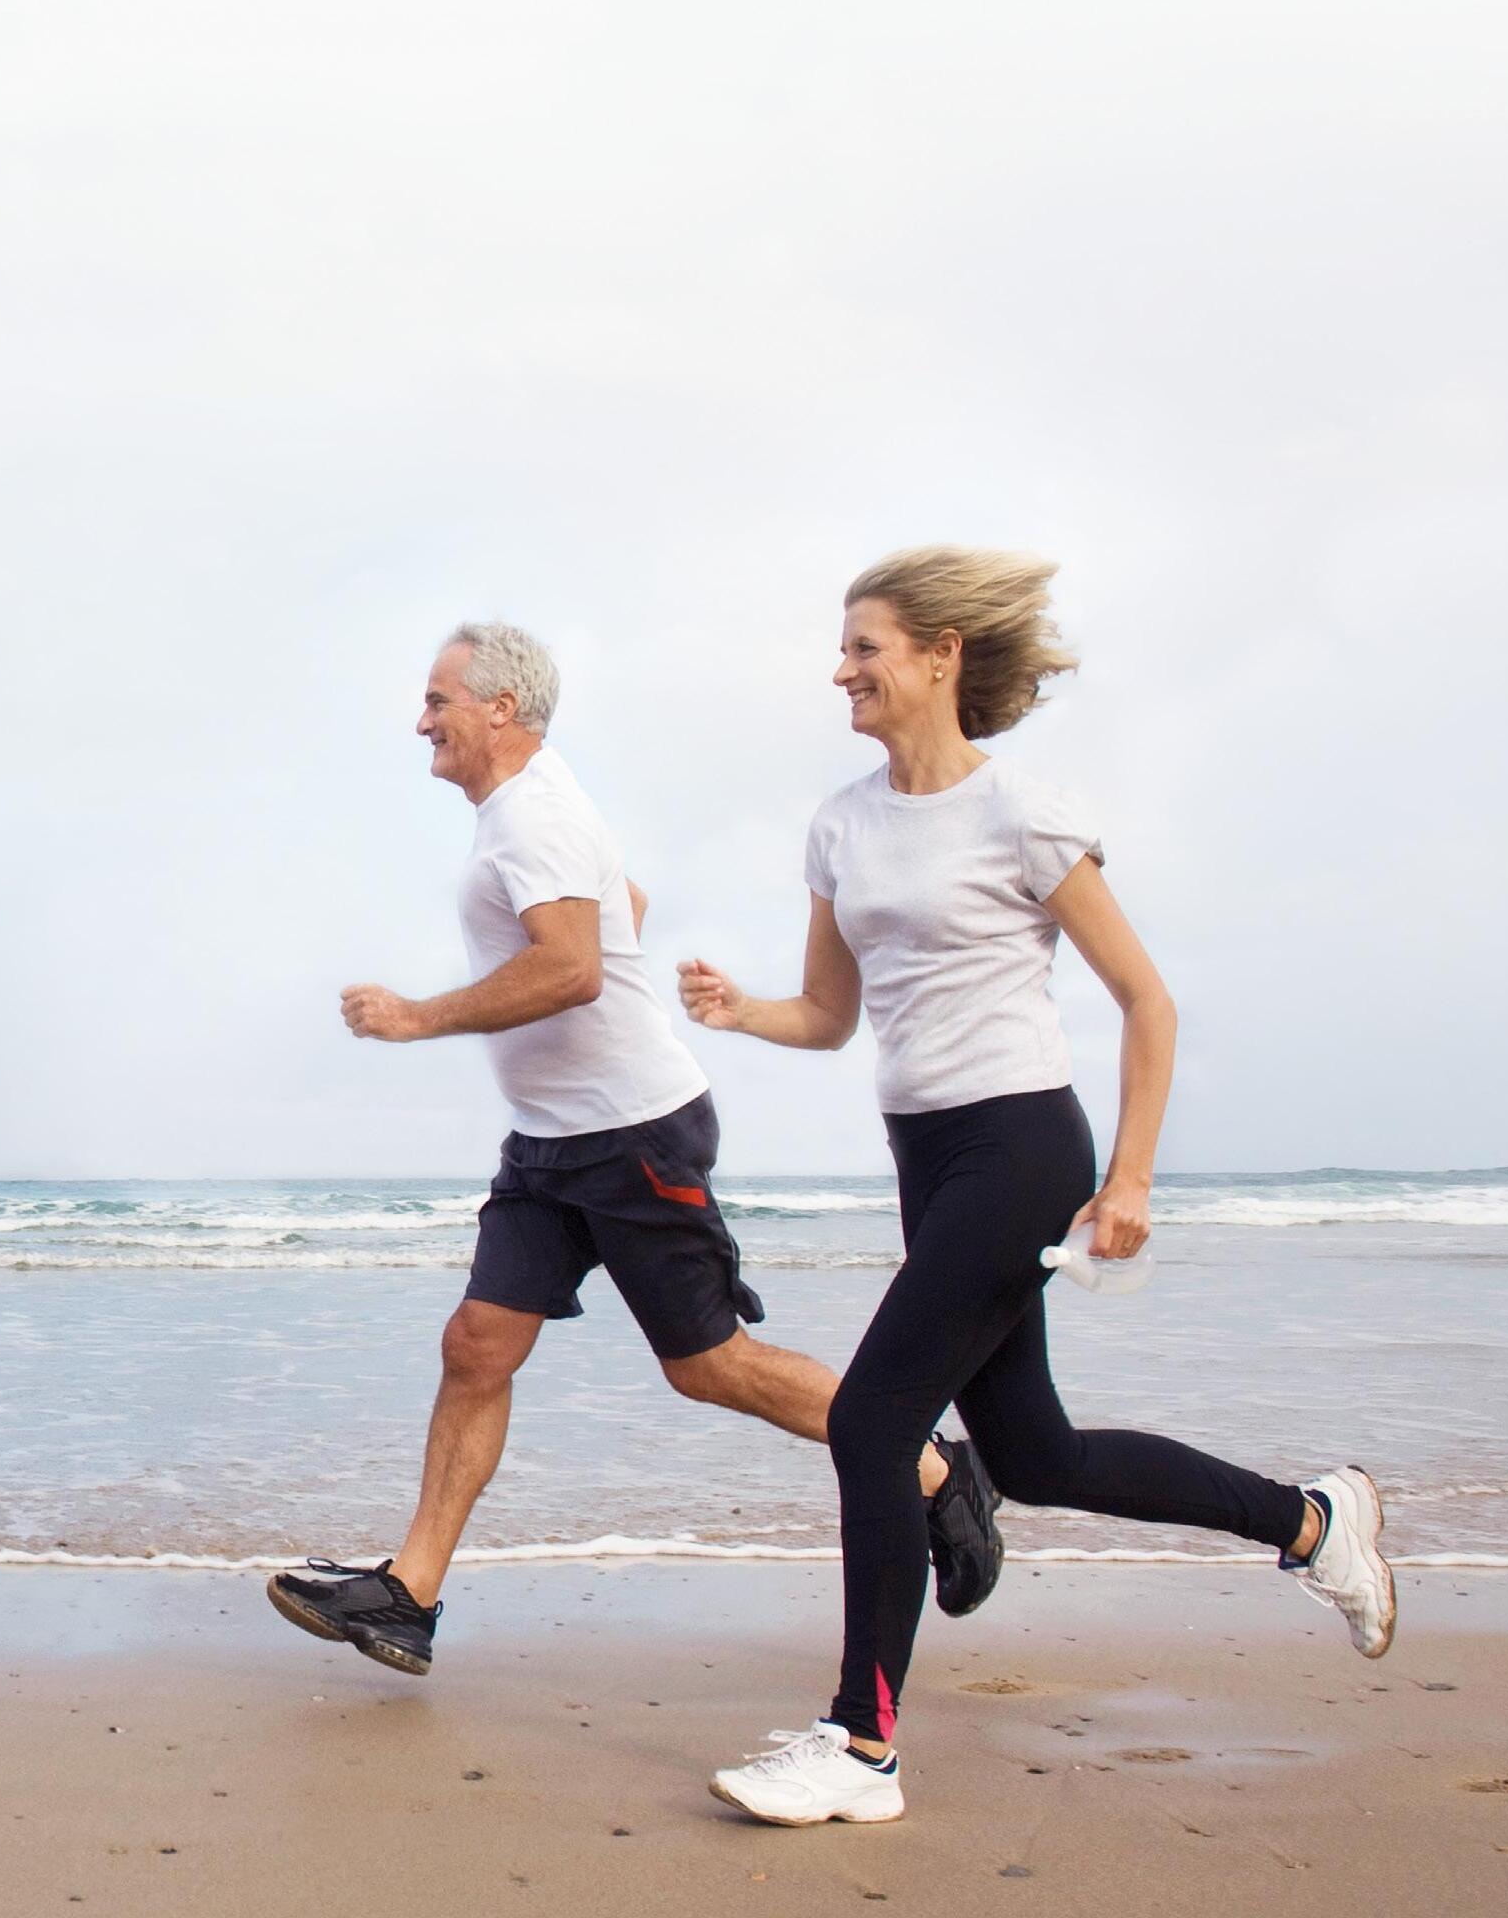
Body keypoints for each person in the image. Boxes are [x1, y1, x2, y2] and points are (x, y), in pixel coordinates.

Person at [681, 548, 1395, 1828]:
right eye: (841, 649)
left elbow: (1146, 1001)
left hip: (1019, 1148)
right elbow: (832, 1016)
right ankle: (1309, 1522)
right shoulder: (840, 824)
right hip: (926, 1155)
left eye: (863, 647)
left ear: (940, 654)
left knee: (871, 1423)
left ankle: (860, 1745)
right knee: (1033, 1453)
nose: (840, 671)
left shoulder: (1021, 811)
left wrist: (1128, 1179)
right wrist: (743, 1012)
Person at [268, 621, 1000, 1676]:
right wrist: (605, 943)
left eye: (436, 702)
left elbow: (571, 970)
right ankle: (408, 1594)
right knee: (476, 1345)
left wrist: (418, 1017)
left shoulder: (535, 816)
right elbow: (624, 907)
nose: (420, 722)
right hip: (550, 1140)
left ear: (499, 710)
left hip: (629, 1134)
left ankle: (935, 1469)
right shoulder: (529, 807)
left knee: (708, 1367)